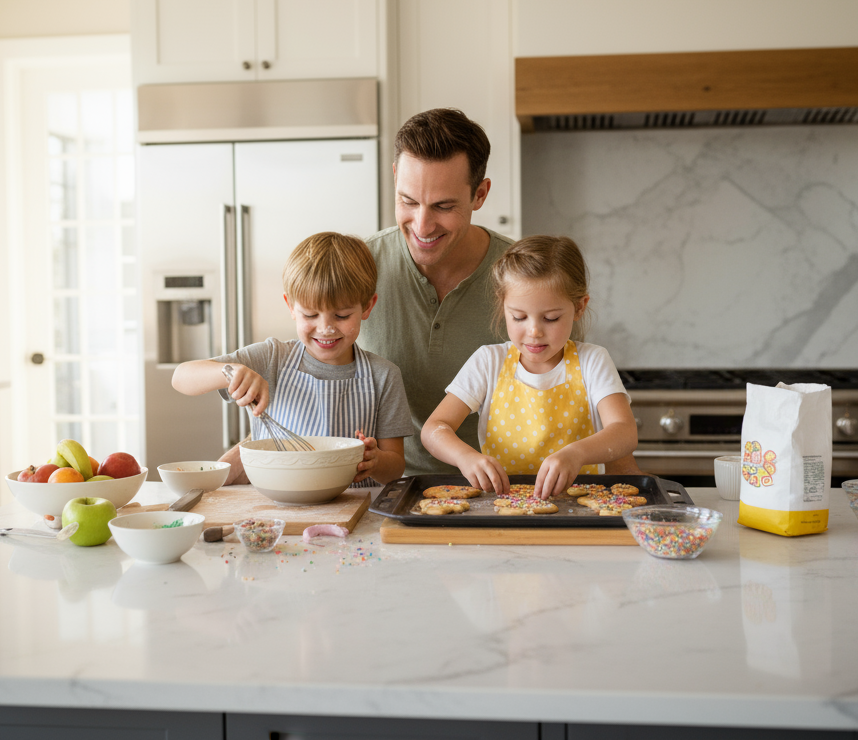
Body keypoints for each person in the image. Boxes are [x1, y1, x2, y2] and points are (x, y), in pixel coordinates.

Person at [171, 232, 411, 486]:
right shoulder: (272, 358)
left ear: (367, 307)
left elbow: (395, 468)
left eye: (341, 316)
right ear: (290, 306)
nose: (325, 328)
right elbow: (180, 377)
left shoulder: (384, 376)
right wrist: (230, 371)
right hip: (275, 504)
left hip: (356, 505)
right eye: (310, 315)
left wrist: (376, 461)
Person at [357, 108, 515, 476]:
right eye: (408, 201)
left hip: (502, 489)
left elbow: (577, 393)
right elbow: (306, 368)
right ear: (395, 177)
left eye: (443, 206)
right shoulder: (359, 266)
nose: (423, 225)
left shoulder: (526, 276)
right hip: (387, 486)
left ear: (480, 194)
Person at [421, 235, 640, 498]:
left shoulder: (592, 361)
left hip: (580, 506)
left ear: (579, 307)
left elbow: (624, 431)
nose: (534, 331)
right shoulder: (489, 362)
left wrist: (576, 453)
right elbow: (434, 428)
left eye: (551, 318)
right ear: (503, 306)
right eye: (519, 317)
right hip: (503, 507)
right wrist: (465, 457)